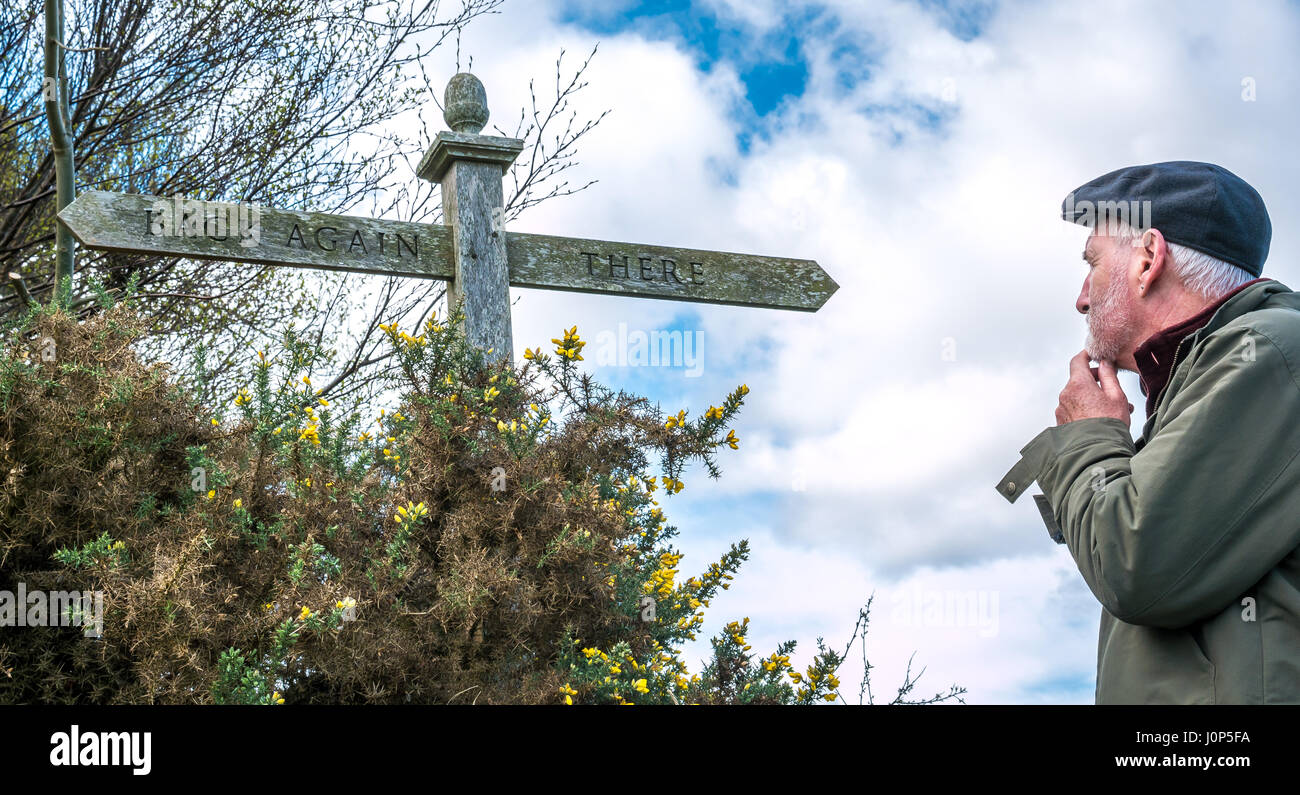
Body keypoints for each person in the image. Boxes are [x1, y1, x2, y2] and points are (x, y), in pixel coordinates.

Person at [996, 161, 1300, 704]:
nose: (1082, 297)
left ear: (1147, 260)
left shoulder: (1269, 351)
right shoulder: (1213, 373)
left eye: (1092, 264)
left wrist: (1090, 435)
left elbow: (1135, 565)